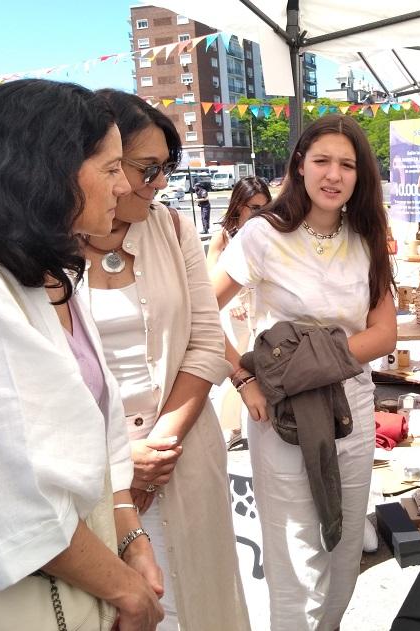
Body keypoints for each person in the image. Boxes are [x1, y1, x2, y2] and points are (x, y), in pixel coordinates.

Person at [0, 79, 164, 629]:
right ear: (49, 172)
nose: (124, 187)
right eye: (111, 169)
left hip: (75, 579)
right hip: (14, 600)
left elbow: (103, 438)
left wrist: (131, 537)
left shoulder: (46, 278)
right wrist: (128, 591)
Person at [212, 114, 396, 630]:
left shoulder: (367, 236)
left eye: (346, 164)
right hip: (283, 413)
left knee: (342, 547)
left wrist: (309, 361)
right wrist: (243, 379)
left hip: (352, 407)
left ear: (361, 176)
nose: (333, 174)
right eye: (321, 161)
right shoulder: (261, 235)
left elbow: (384, 334)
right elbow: (201, 311)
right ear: (299, 164)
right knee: (294, 551)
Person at [78, 90, 250, 631]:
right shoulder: (41, 249)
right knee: (123, 605)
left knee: (200, 599)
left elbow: (204, 341)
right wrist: (124, 459)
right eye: (144, 169)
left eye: (164, 171)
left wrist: (161, 447)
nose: (157, 185)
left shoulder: (172, 228)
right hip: (90, 468)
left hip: (183, 447)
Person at [206, 175, 271, 448]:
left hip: (256, 307)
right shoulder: (223, 236)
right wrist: (232, 304)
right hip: (231, 310)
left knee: (256, 363)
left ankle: (247, 424)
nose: (260, 213)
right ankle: (230, 425)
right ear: (239, 206)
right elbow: (209, 282)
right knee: (236, 366)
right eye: (254, 207)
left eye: (265, 207)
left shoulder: (268, 233)